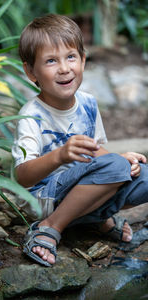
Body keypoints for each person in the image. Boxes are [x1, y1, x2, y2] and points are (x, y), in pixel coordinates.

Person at [12, 14, 148, 267]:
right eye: (51, 61)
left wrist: (119, 159)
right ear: (31, 71)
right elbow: (22, 177)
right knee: (116, 168)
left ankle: (91, 217)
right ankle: (49, 228)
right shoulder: (32, 114)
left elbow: (94, 150)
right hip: (43, 196)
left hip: (79, 185)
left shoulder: (87, 102)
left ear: (83, 61)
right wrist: (60, 155)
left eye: (71, 57)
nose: (64, 68)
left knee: (143, 176)